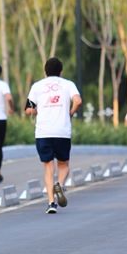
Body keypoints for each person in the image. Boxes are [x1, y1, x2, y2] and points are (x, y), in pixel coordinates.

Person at [25, 57, 83, 215]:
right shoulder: (68, 84)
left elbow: (28, 110)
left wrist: (39, 109)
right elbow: (78, 101)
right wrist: (70, 112)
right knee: (63, 165)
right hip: (62, 131)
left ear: (45, 71)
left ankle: (51, 203)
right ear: (61, 71)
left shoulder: (37, 86)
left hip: (43, 132)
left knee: (48, 167)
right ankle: (60, 184)